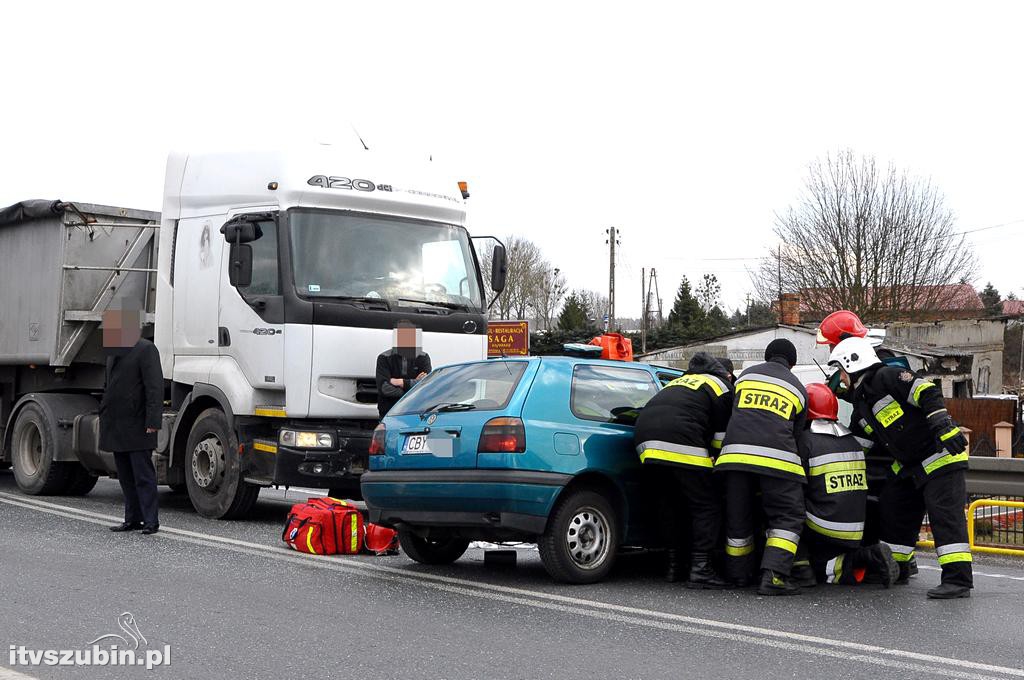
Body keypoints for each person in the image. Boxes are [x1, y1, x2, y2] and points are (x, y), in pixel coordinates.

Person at [829, 336, 972, 599]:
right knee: (894, 510)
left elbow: (926, 392)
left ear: (851, 363)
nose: (839, 378)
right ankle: (897, 567)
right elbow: (860, 443)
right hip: (909, 467)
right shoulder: (863, 405)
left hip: (940, 457)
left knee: (945, 519)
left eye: (839, 370)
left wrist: (942, 425)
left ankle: (957, 580)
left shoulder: (888, 376)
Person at [715, 339, 808, 595]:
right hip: (778, 460)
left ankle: (738, 575)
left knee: (738, 516)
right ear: (793, 363)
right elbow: (798, 435)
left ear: (767, 357)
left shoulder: (745, 377)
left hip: (734, 458)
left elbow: (732, 412)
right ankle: (775, 576)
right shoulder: (798, 388)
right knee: (787, 516)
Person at [634, 352, 733, 587]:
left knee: (670, 503)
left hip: (645, 443)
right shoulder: (721, 385)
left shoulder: (677, 381)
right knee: (707, 506)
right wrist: (719, 463)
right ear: (726, 374)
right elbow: (721, 436)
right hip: (680, 440)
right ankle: (701, 569)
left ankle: (673, 566)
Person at [796, 383, 898, 587]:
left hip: (823, 527)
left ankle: (866, 558)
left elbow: (792, 490)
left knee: (782, 510)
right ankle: (869, 562)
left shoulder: (804, 442)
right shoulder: (852, 441)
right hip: (854, 528)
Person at [100, 305, 164, 535]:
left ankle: (150, 521)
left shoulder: (146, 349)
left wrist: (153, 420)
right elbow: (109, 386)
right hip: (117, 424)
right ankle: (131, 519)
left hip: (138, 424)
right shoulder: (113, 353)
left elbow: (154, 388)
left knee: (143, 476)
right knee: (125, 476)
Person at [376, 321, 432, 418]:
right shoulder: (384, 358)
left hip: (415, 411)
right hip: (389, 412)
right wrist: (413, 386)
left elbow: (426, 386)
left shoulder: (423, 357)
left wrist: (401, 382)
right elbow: (384, 388)